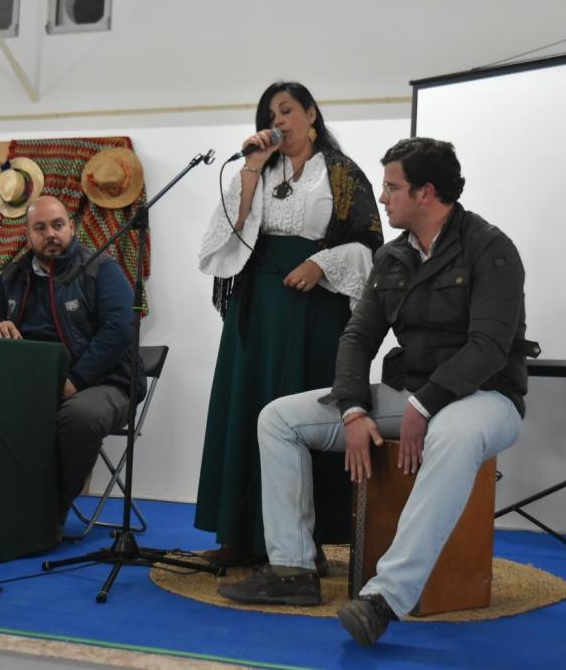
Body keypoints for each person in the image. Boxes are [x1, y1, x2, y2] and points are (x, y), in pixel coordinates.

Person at [218, 138, 530, 647]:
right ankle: (293, 570)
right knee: (278, 418)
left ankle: (385, 597)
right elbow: (358, 337)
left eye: (392, 187)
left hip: (487, 398)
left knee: (451, 432)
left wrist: (425, 404)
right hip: (412, 394)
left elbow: (489, 348)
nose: (382, 198)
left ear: (426, 192)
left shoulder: (490, 248)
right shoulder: (392, 257)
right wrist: (354, 408)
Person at [195, 81, 383, 567]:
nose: (278, 121)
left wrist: (323, 263)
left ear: (311, 114)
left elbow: (370, 243)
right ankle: (239, 536)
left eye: (286, 111)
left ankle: (307, 543)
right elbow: (229, 231)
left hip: (314, 307)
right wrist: (251, 167)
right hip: (256, 306)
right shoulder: (257, 169)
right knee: (246, 405)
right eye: (270, 115)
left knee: (302, 408)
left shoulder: (341, 173)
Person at [0, 195, 146, 532]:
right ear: (28, 235)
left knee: (79, 417)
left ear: (72, 228)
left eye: (57, 225)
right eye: (40, 228)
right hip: (34, 383)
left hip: (107, 382)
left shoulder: (101, 268)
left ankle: (47, 516)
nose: (50, 233)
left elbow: (121, 328)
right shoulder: (13, 275)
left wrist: (75, 381)